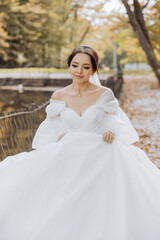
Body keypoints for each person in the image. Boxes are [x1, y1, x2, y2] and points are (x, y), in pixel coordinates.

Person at [0, 45, 160, 240]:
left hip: (101, 153)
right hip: (70, 153)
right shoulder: (59, 96)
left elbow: (116, 121)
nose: (79, 71)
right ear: (69, 67)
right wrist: (60, 135)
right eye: (75, 65)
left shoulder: (104, 94)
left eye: (85, 67)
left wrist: (111, 131)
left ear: (94, 70)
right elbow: (51, 129)